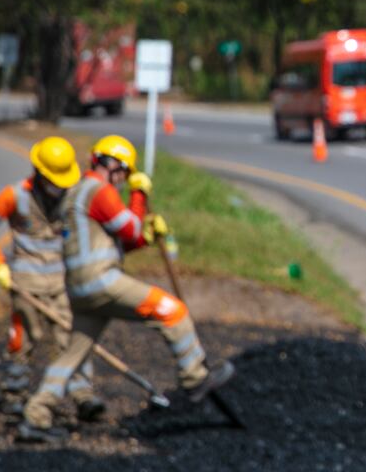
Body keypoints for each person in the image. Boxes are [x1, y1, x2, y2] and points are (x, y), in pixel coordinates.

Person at [18, 135, 234, 442]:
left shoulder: (75, 194)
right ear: (113, 165)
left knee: (72, 355)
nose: (124, 180)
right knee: (171, 311)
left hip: (79, 290)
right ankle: (195, 378)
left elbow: (122, 241)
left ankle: (36, 416)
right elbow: (130, 226)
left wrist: (147, 236)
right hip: (101, 282)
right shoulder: (99, 191)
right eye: (124, 173)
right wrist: (139, 194)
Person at [0, 136, 104, 419]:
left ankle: (84, 396)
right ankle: (15, 394)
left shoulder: (72, 197)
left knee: (72, 337)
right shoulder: (15, 195)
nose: (59, 186)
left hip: (63, 282)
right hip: (25, 283)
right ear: (41, 174)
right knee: (23, 340)